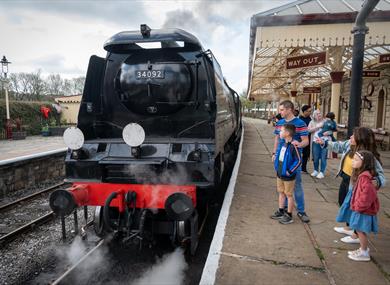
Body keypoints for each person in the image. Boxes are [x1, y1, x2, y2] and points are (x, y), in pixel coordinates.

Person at [316, 127, 385, 243]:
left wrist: (376, 182)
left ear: (360, 139)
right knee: (344, 203)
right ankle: (350, 227)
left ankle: (356, 235)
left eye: (353, 136)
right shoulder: (349, 145)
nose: (350, 137)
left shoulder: (368, 156)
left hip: (357, 186)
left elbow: (381, 176)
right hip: (346, 180)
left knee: (356, 208)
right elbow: (339, 146)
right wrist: (325, 142)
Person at [272, 100, 310, 223]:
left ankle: (301, 211)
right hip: (281, 159)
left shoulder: (300, 123)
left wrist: (298, 144)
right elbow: (277, 139)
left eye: (282, 110)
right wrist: (274, 153)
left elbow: (306, 141)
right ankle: (284, 211)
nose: (280, 112)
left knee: (297, 186)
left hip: (293, 160)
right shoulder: (280, 123)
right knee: (282, 188)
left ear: (289, 109)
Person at [347, 151, 380, 262]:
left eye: (356, 160)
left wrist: (359, 206)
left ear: (364, 163)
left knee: (360, 231)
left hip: (363, 210)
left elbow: (367, 195)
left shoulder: (365, 177)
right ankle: (362, 249)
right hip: (361, 209)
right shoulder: (363, 175)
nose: (353, 161)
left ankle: (364, 252)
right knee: (358, 229)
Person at [271, 124, 302, 224]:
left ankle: (289, 215)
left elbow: (298, 161)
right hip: (280, 174)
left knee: (289, 194)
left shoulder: (293, 146)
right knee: (281, 192)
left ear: (287, 133)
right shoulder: (283, 144)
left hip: (288, 176)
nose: (280, 132)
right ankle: (281, 211)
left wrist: (290, 171)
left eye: (282, 130)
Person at [308, 110, 327, 179]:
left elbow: (331, 129)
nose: (319, 115)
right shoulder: (312, 122)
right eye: (317, 114)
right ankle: (316, 170)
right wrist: (317, 127)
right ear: (314, 116)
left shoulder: (325, 121)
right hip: (315, 142)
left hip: (324, 142)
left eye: (320, 113)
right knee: (315, 158)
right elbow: (309, 130)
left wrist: (327, 132)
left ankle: (322, 172)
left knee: (323, 157)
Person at [299, 105, 312, 173]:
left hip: (308, 139)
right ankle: (297, 167)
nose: (310, 112)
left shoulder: (311, 119)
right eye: (308, 111)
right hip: (300, 139)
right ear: (304, 111)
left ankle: (303, 168)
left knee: (306, 154)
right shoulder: (300, 119)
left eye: (310, 111)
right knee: (299, 153)